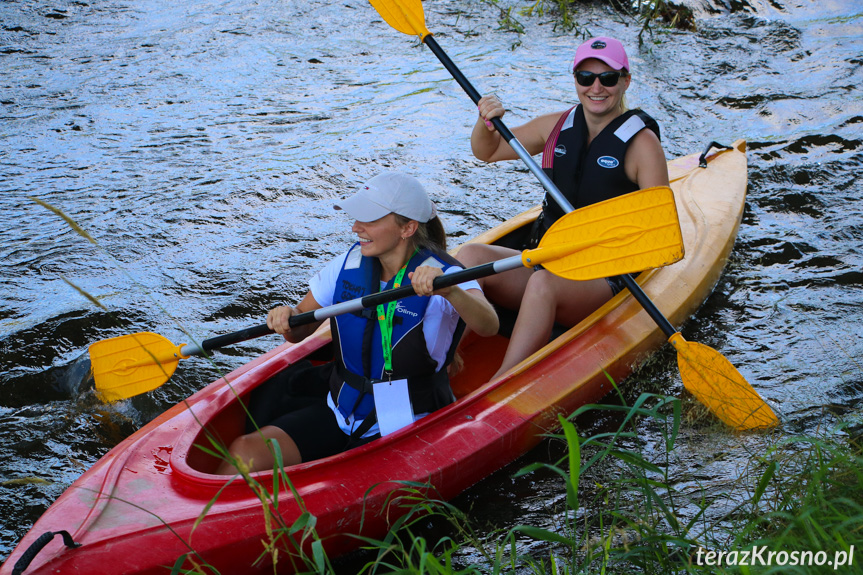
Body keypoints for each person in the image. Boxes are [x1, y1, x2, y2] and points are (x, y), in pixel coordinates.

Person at [217, 172, 499, 474]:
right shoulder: (348, 264)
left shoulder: (444, 274)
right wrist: (287, 316)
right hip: (341, 409)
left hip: (407, 422)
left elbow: (489, 325)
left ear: (408, 227)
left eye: (370, 219)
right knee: (244, 453)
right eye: (356, 218)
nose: (356, 228)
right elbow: (300, 329)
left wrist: (452, 291)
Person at [459, 36, 671, 379]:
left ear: (625, 80)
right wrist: (486, 121)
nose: (596, 87)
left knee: (542, 285)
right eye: (586, 78)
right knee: (469, 259)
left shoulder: (642, 146)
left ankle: (502, 384)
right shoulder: (556, 127)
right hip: (549, 255)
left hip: (603, 276)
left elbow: (659, 234)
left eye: (608, 78)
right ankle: (437, 360)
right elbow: (488, 151)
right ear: (575, 80)